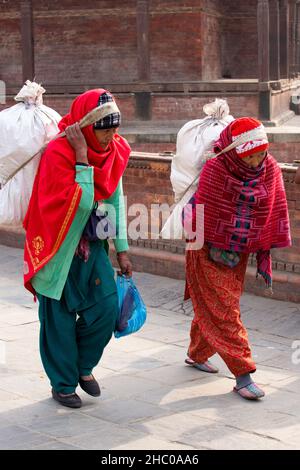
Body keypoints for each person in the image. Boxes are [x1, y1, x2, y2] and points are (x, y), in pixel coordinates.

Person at [23, 89, 132, 408]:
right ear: (85, 128)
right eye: (104, 130)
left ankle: (82, 368)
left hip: (92, 246)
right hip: (56, 250)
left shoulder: (116, 150)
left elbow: (115, 200)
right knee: (57, 319)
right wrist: (82, 158)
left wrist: (122, 249)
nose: (111, 137)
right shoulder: (59, 152)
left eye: (115, 129)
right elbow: (81, 204)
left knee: (106, 308)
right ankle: (63, 383)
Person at [184, 117, 291, 400]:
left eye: (260, 154)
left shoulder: (270, 168)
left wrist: (254, 238)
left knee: (215, 304)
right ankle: (243, 375)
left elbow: (274, 208)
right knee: (225, 309)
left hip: (239, 251)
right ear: (235, 153)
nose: (256, 162)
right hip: (204, 248)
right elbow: (205, 215)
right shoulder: (216, 169)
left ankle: (196, 354)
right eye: (250, 156)